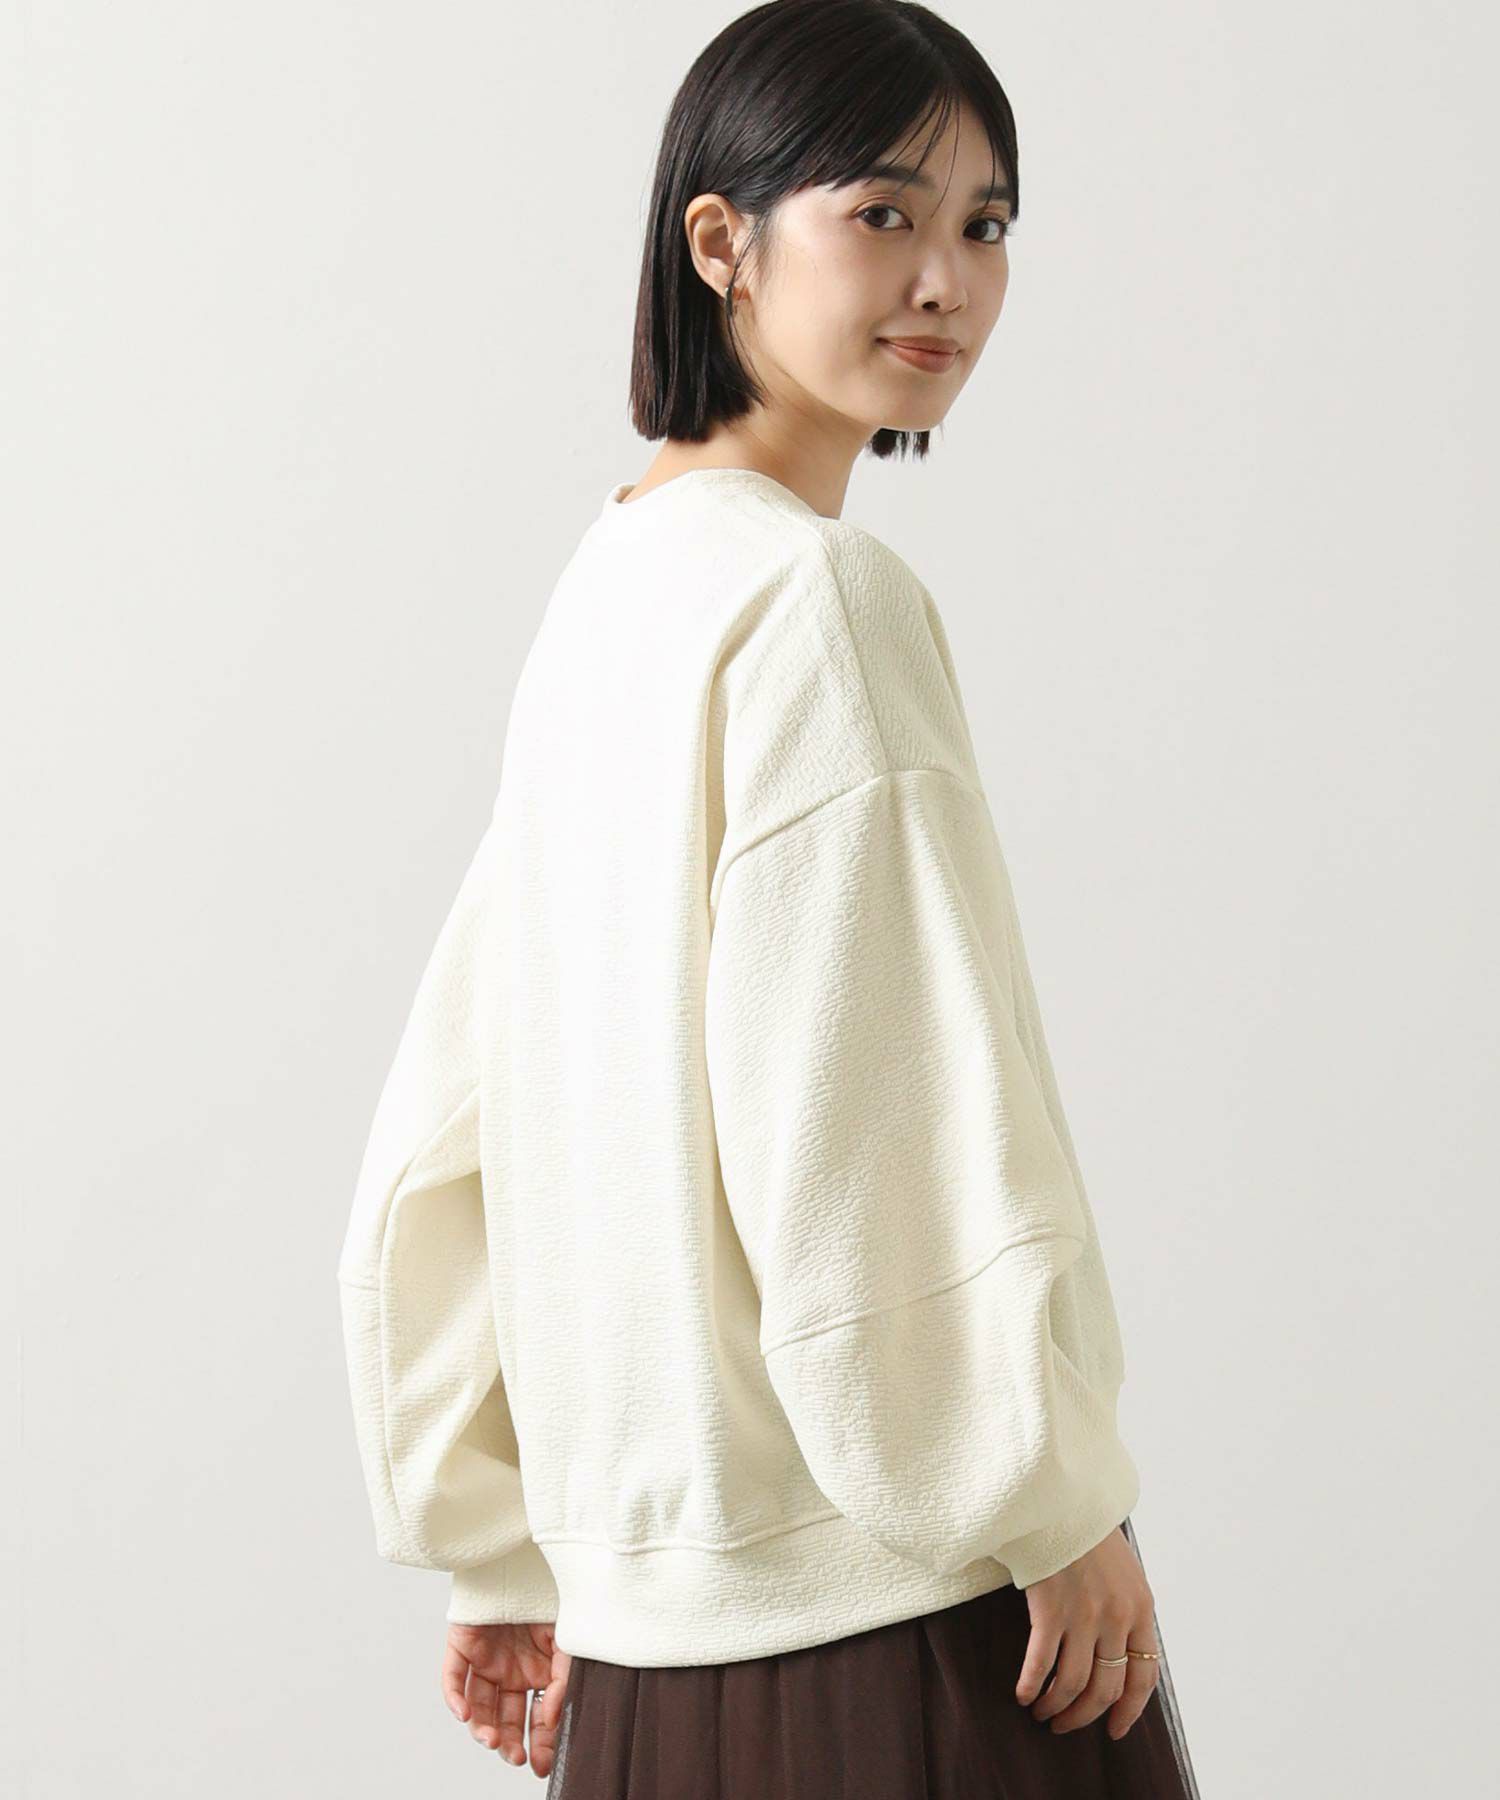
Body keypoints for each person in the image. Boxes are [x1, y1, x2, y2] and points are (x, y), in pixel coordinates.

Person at [336, 2, 1202, 1793]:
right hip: (906, 1641)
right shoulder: (813, 602)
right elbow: (875, 1128)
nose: (947, 279)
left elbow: (447, 1134)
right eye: (883, 213)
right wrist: (1043, 1494)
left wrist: (501, 1541)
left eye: (985, 223)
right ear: (719, 241)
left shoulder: (609, 599)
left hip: (645, 1670)